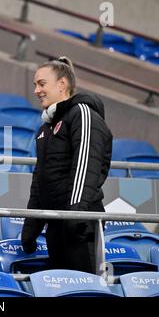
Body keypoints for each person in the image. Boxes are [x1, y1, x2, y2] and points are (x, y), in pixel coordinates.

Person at [21, 56, 113, 274]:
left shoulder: (82, 113)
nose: (36, 91)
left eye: (42, 84)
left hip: (80, 226)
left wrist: (75, 217)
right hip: (56, 224)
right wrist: (31, 227)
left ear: (62, 84)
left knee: (84, 289)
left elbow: (86, 167)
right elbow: (40, 180)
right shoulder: (46, 128)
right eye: (35, 85)